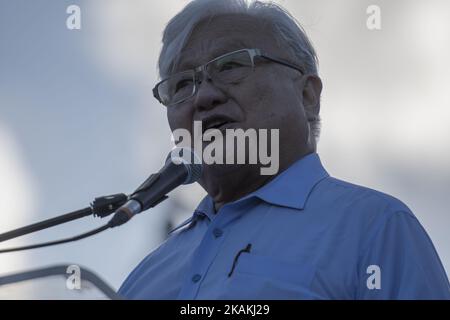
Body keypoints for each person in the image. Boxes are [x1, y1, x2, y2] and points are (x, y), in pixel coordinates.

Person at [118, 0, 450, 299]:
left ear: (308, 96)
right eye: (180, 85)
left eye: (231, 65)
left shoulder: (375, 226)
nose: (203, 97)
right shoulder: (145, 277)